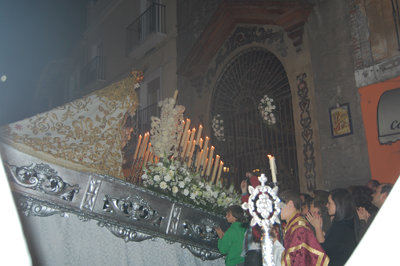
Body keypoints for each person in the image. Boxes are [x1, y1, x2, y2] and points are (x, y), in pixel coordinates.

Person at [278, 190, 329, 266]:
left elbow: (295, 260)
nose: (277, 209)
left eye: (280, 206)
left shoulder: (299, 229)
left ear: (290, 204)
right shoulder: (292, 226)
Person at [313, 188, 357, 266]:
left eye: (329, 203)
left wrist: (317, 228)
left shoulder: (342, 226)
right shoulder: (344, 221)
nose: (327, 205)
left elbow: (324, 250)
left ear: (339, 204)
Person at [240, 172, 262, 266]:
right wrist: (244, 191)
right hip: (252, 249)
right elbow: (249, 208)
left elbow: (259, 191)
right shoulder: (254, 210)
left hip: (257, 248)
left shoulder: (263, 206)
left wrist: (252, 177)